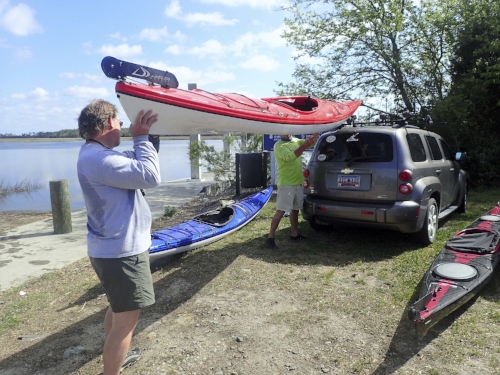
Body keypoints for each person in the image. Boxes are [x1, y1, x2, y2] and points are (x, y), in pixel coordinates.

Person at [77, 99, 161, 375]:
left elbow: (134, 162)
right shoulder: (101, 160)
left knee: (118, 307)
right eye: (120, 123)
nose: (123, 128)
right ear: (109, 122)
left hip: (109, 249)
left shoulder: (93, 154)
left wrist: (146, 140)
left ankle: (117, 359)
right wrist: (141, 138)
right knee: (126, 322)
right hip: (121, 253)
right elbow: (150, 176)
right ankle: (111, 370)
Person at [266, 133, 318, 249]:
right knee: (281, 210)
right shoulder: (278, 146)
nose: (287, 132)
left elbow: (310, 144)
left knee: (295, 209)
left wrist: (315, 135)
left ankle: (294, 234)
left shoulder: (296, 141)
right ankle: (270, 237)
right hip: (286, 183)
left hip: (297, 182)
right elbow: (290, 157)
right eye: (284, 130)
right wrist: (305, 145)